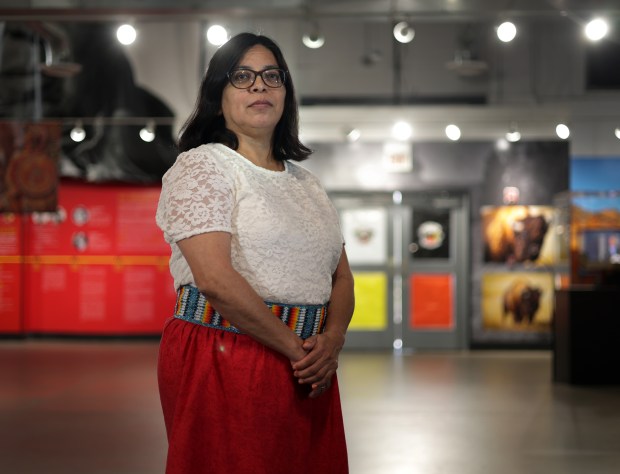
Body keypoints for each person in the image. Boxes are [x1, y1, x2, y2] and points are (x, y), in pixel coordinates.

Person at [155, 32, 355, 474]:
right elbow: (214, 277)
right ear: (218, 95)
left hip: (307, 363)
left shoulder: (307, 184)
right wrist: (298, 350)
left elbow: (341, 276)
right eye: (242, 76)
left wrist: (332, 340)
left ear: (286, 92)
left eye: (271, 76)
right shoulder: (203, 166)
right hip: (226, 351)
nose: (259, 86)